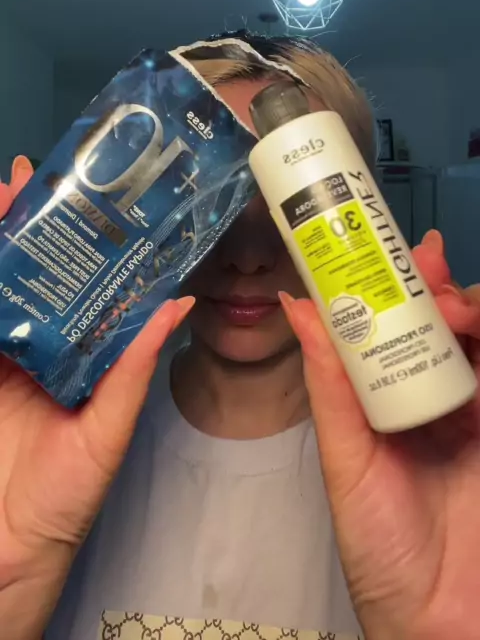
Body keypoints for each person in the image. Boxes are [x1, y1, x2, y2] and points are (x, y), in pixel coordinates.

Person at [1, 33, 480, 640]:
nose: (248, 260)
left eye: (290, 214)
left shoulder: (430, 469)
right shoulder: (47, 446)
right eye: (214, 212)